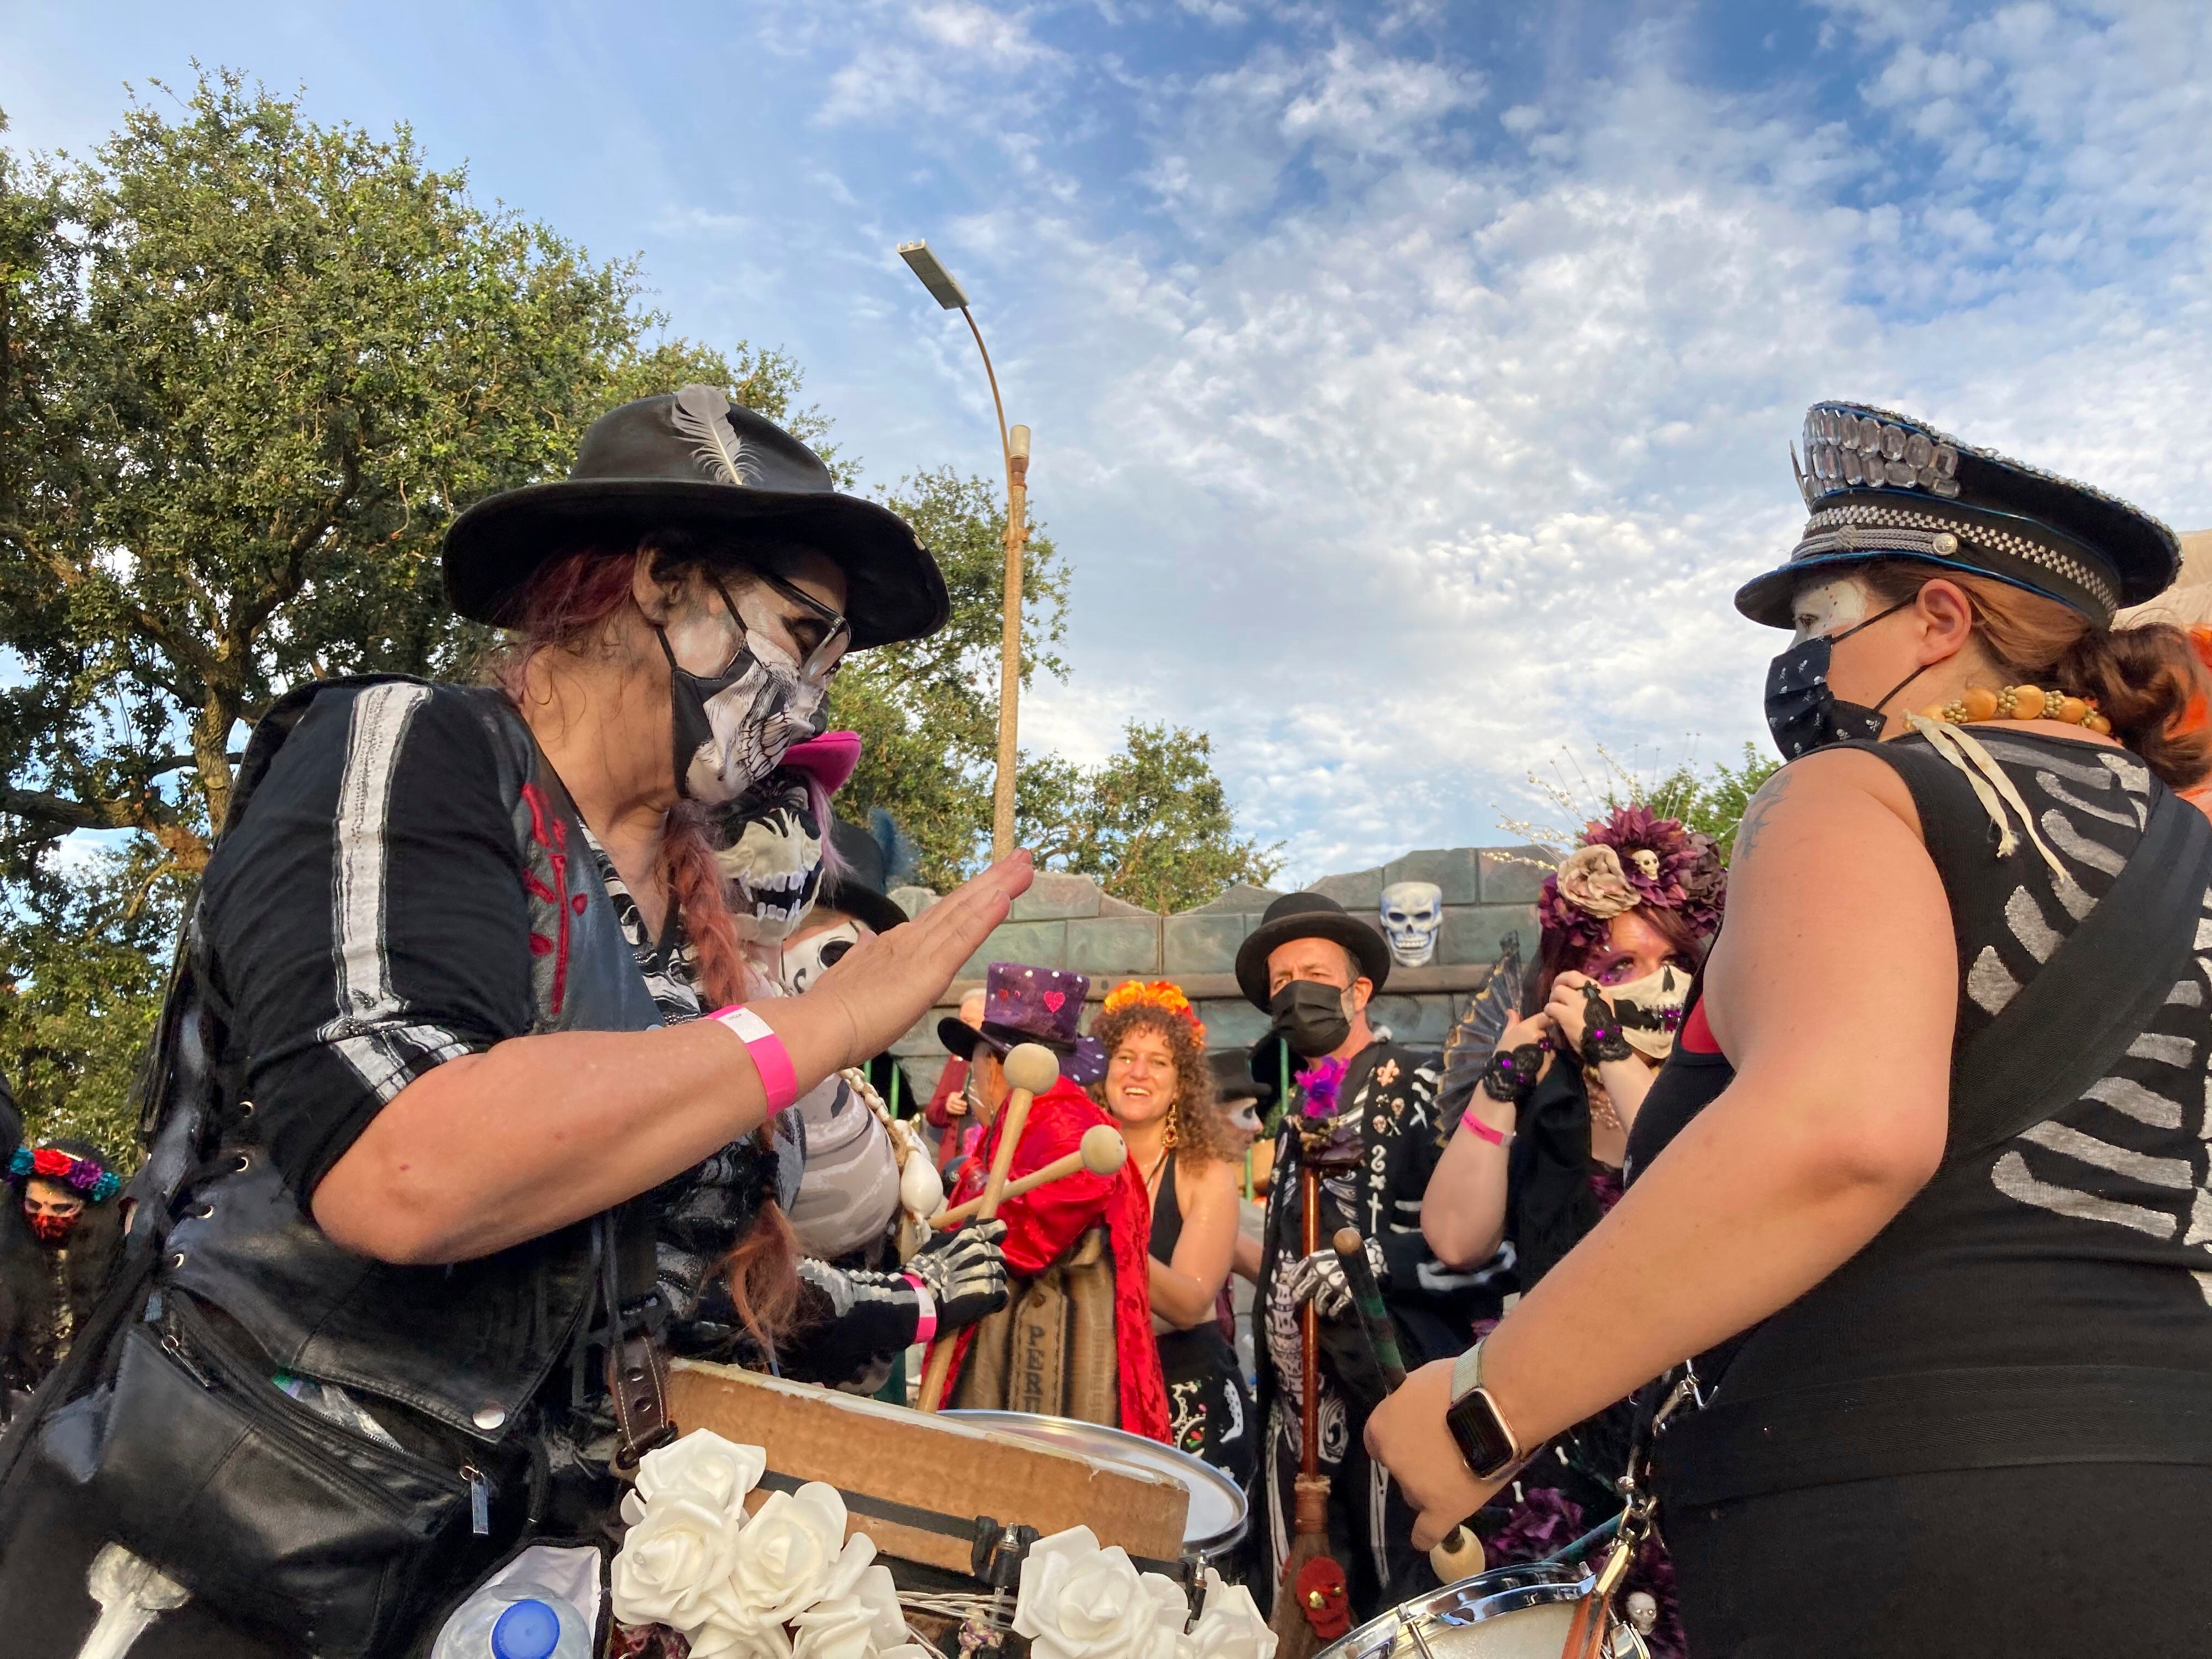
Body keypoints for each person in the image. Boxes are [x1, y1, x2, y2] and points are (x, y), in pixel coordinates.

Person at [0, 385, 1033, 1658]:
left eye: (834, 663)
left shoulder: (690, 929)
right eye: (801, 633)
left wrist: (906, 1302)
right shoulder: (410, 750)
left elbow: (643, 1284)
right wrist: (821, 1026)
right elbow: (412, 1170)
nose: (814, 703)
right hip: (215, 1579)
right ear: (662, 582)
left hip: (489, 1599)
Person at [1367, 400, 2212, 1656]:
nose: (1801, 668)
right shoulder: (2188, 844)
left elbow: (1841, 1130)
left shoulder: (1863, 791)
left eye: (1822, 625)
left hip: (1912, 1528)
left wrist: (1487, 1411)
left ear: (1940, 621)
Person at [1421, 809, 1722, 1656]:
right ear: (1576, 976)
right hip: (1569, 1474)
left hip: (1703, 1471)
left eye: (1675, 964)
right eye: (1623, 965)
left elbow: (1683, 1190)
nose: (1655, 986)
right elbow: (1454, 1238)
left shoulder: (1733, 1094)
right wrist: (1501, 1086)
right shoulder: (1548, 1107)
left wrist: (1616, 1053)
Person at [1238, 893, 1508, 1623]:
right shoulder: (1297, 1113)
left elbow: (1503, 1252)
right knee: (1301, 1614)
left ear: (1359, 991)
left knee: (1411, 1614)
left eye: (1313, 972)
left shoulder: (1421, 1084)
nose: (1295, 989)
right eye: (1280, 979)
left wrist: (1377, 1263)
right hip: (1297, 1428)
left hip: (1398, 1403)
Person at [925, 961, 1172, 1438]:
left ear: (996, 1062)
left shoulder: (1062, 1127)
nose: (973, 1073)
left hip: (1050, 1392)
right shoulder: (1040, 1117)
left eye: (975, 1056)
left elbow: (1022, 1245)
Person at [1091, 980, 1254, 1483]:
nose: (1138, 1072)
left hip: (1187, 1404)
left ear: (1181, 1083)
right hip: (1094, 1398)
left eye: (1159, 1062)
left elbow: (1189, 1302)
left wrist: (1103, 1230)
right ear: (1103, 1070)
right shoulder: (1073, 1162)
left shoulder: (1205, 1172)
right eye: (1125, 1056)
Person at [0, 1138, 124, 1419]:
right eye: (34, 1206)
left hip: (87, 1411)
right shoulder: (8, 1259)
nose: (44, 1218)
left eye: (61, 1209)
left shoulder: (120, 1263)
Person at [928, 987, 990, 1174]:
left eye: (968, 1021)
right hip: (956, 1164)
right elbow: (932, 1113)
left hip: (986, 1160)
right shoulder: (958, 1059)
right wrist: (947, 1105)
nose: (962, 1028)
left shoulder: (1001, 1061)